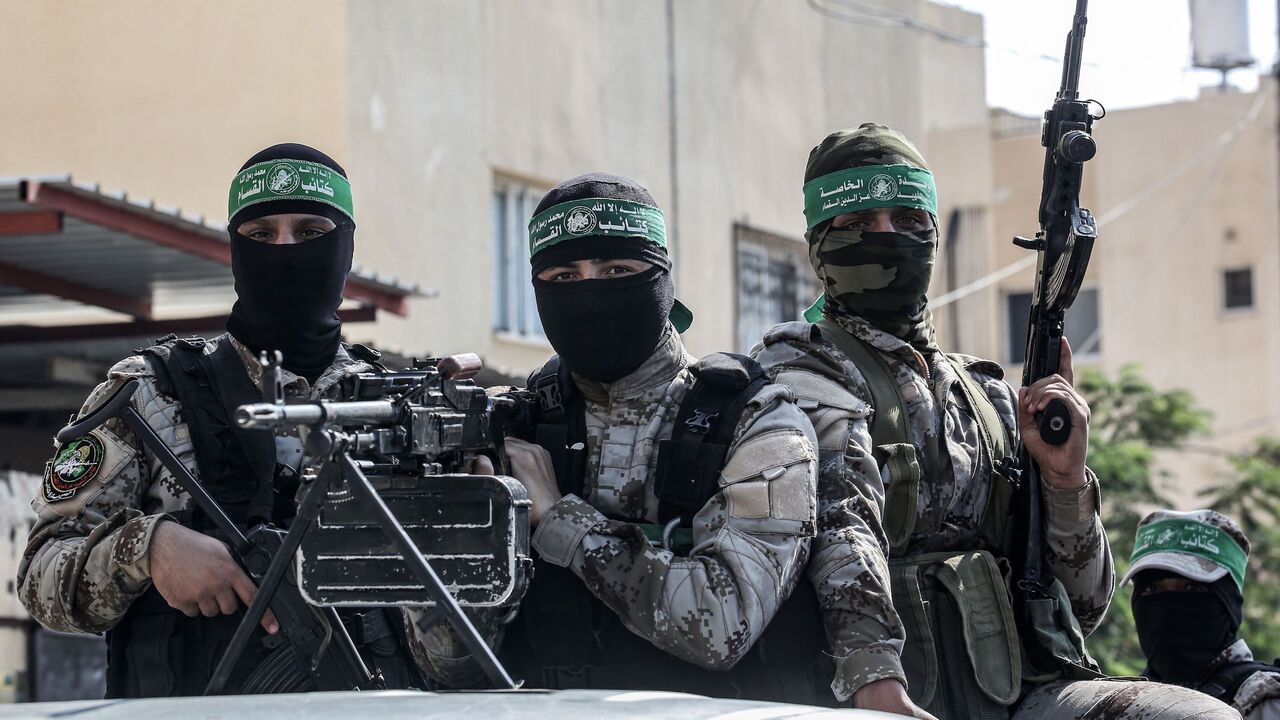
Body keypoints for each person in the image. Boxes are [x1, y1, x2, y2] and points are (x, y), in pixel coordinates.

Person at [751, 123, 1237, 718]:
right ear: (819, 243)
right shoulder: (795, 372)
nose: (888, 239)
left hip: (1016, 694)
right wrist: (874, 678)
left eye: (908, 221)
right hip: (861, 697)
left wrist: (1065, 484)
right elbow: (839, 520)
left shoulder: (985, 396)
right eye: (858, 225)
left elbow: (1083, 607)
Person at [405, 172, 830, 703]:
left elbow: (722, 628)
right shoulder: (517, 425)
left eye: (616, 270)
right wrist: (463, 541)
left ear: (661, 279)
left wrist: (560, 520)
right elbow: (449, 667)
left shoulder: (757, 422)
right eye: (563, 277)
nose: (589, 292)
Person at [17, 143, 420, 696]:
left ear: (345, 249)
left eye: (309, 233)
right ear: (235, 250)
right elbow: (40, 574)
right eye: (260, 235)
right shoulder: (146, 393)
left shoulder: (394, 408)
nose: (284, 250)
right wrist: (148, 549)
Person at [1125, 509, 1280, 718]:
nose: (1168, 608)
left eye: (1191, 589)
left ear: (1229, 602)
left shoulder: (1265, 703)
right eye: (1153, 589)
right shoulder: (1120, 702)